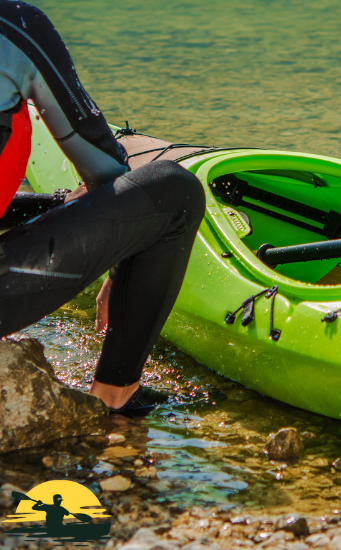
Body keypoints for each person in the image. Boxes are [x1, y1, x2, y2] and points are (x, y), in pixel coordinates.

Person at [0, 2, 205, 416]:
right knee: (173, 194)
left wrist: (57, 204)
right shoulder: (14, 27)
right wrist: (118, 262)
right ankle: (115, 401)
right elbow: (105, 167)